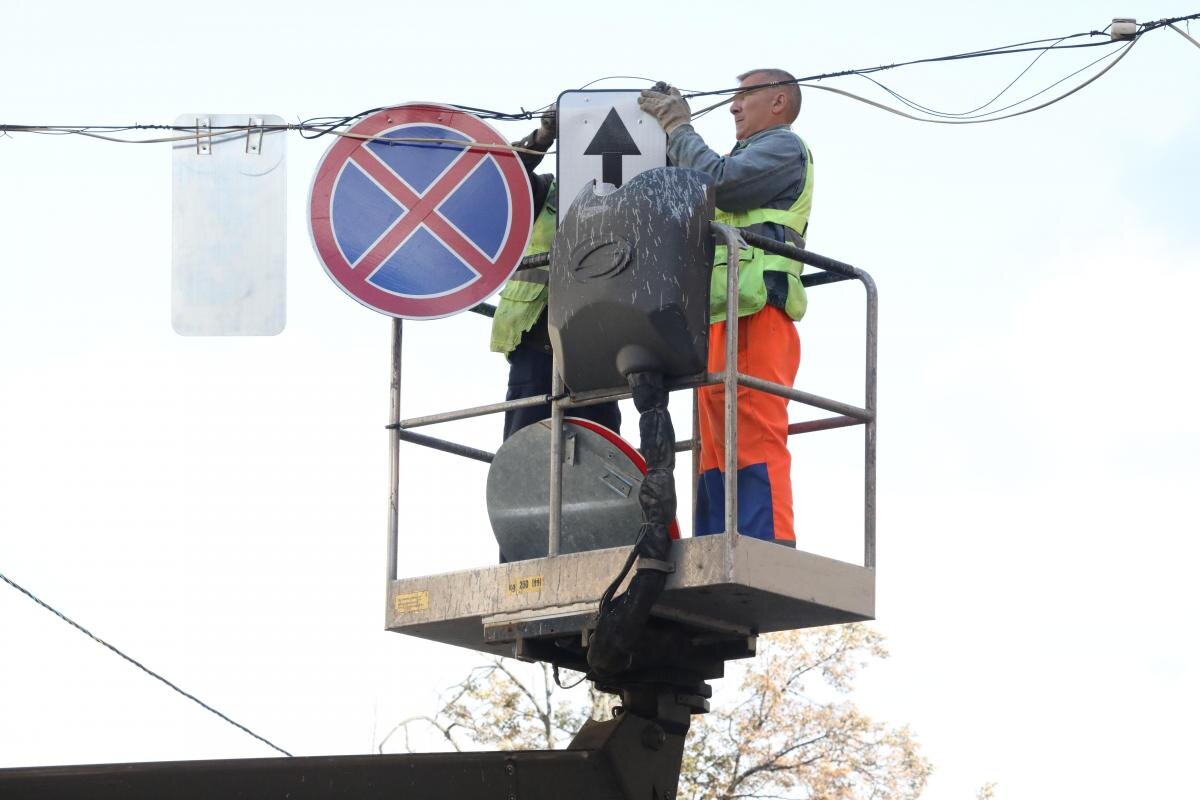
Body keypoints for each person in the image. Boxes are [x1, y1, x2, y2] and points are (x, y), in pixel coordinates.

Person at [639, 69, 813, 547]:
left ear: (778, 102)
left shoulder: (783, 147)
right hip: (721, 313)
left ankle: (766, 545)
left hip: (759, 310)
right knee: (714, 446)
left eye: (743, 96)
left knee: (753, 431)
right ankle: (718, 543)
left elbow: (719, 183)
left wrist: (677, 127)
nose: (733, 106)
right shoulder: (751, 153)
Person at [489, 112, 622, 442]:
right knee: (526, 448)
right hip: (536, 343)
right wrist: (542, 137)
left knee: (599, 453)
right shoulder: (546, 190)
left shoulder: (631, 197)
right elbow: (497, 183)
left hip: (601, 347)